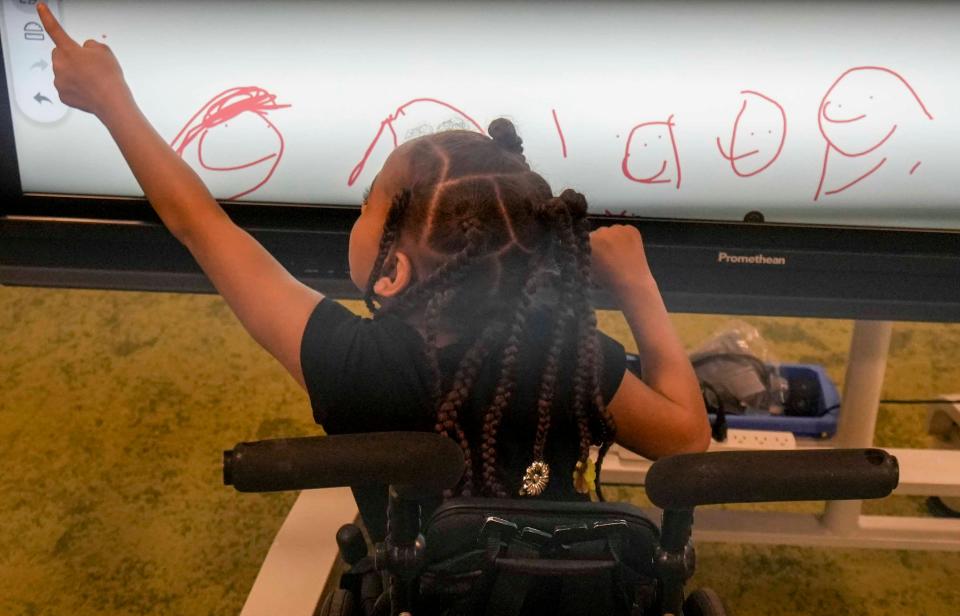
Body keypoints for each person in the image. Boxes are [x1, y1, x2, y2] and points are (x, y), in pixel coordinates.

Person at [37, 4, 710, 539]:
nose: (357, 215)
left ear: (395, 270)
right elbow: (686, 442)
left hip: (422, 612)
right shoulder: (577, 357)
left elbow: (201, 227)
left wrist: (112, 103)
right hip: (571, 603)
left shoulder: (356, 365)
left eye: (368, 206)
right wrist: (638, 288)